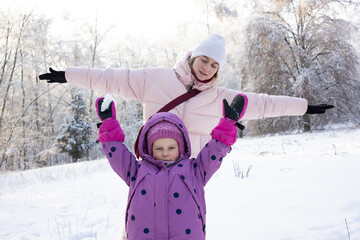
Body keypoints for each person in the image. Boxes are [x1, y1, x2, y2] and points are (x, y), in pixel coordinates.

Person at [39, 33, 333, 158]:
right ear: (193, 57)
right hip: (150, 166)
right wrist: (68, 74)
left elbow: (264, 103)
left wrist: (303, 107)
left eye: (214, 65)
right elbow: (110, 77)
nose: (207, 68)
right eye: (204, 60)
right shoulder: (154, 79)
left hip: (191, 172)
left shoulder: (220, 97)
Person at [95, 93, 247, 240]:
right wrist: (108, 124)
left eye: (171, 148)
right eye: (159, 148)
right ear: (149, 149)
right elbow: (116, 154)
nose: (165, 153)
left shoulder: (195, 170)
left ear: (180, 147)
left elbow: (216, 149)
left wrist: (228, 123)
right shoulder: (136, 170)